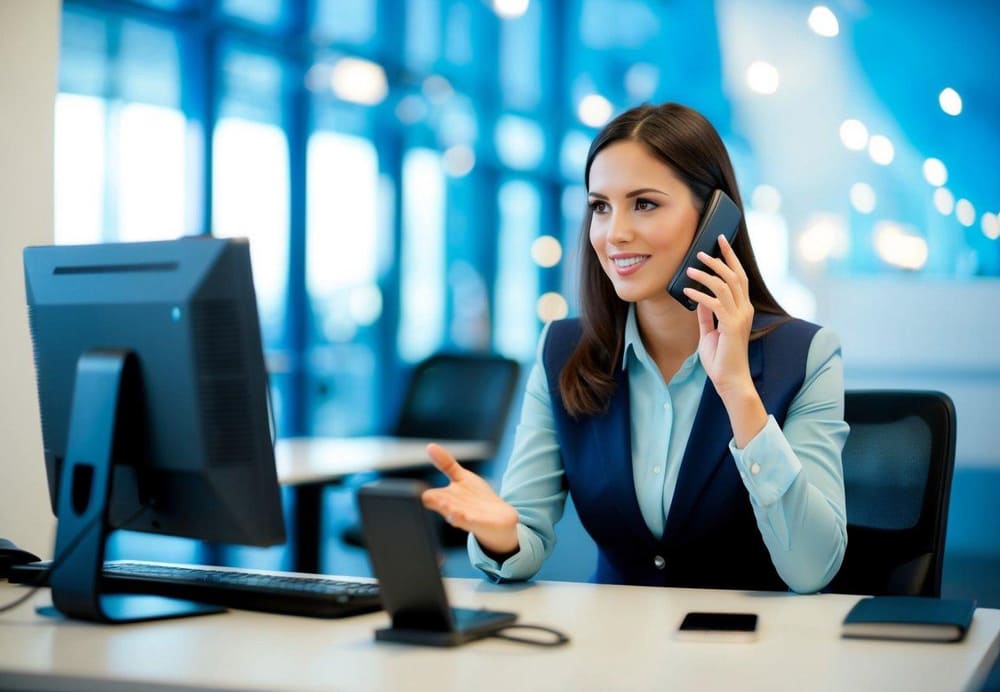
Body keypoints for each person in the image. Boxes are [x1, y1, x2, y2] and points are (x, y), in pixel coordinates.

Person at [421, 102, 849, 594]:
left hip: (750, 651)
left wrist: (737, 391)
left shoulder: (806, 355)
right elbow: (525, 538)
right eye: (600, 206)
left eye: (644, 203)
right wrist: (500, 534)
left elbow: (812, 569)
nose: (614, 233)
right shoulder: (564, 350)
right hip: (613, 649)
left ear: (716, 216)